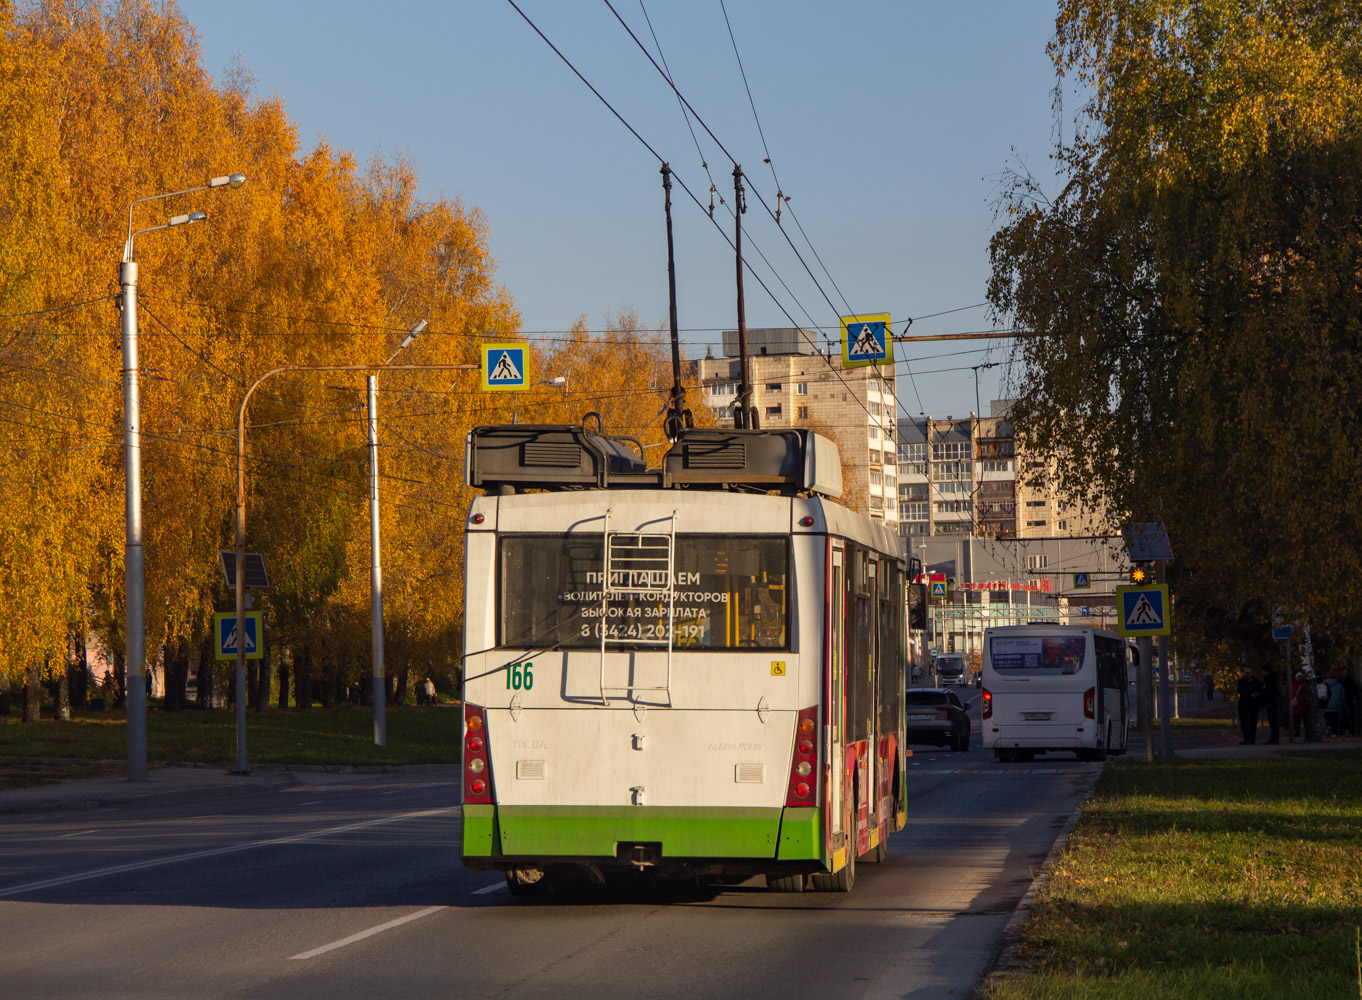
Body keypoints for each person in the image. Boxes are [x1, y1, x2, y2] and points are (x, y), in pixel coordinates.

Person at [1236, 665, 1262, 745]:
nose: (1247, 675)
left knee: (1253, 723)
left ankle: (1252, 739)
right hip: (1243, 704)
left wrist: (1257, 696)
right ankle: (1246, 738)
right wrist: (1250, 694)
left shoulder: (1256, 681)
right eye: (1246, 673)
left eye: (1249, 673)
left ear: (1252, 673)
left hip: (1254, 705)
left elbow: (1260, 691)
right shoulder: (1241, 682)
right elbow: (1241, 691)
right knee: (1244, 723)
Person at [1259, 668, 1280, 744]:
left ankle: (1274, 738)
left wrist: (1266, 702)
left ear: (1266, 671)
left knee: (1273, 721)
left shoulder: (1270, 681)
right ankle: (1274, 738)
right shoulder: (1270, 680)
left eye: (1262, 671)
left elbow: (1269, 693)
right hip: (1271, 702)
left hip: (1271, 703)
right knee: (1272, 721)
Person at [1290, 671, 1306, 737]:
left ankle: (1297, 732)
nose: (1299, 678)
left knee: (1299, 719)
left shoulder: (1303, 685)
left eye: (1300, 677)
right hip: (1296, 704)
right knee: (1296, 720)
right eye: (1298, 677)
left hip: (1300, 704)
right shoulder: (1294, 685)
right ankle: (1296, 732)